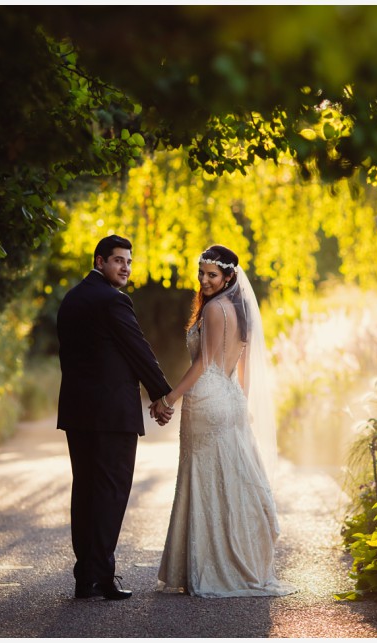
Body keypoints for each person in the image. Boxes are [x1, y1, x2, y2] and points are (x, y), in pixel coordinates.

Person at [150, 245, 296, 598]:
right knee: (229, 479)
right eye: (201, 273)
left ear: (229, 277)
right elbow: (240, 368)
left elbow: (204, 365)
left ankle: (212, 565)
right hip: (229, 399)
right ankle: (232, 558)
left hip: (207, 399)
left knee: (203, 479)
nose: (204, 280)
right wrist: (239, 402)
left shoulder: (215, 309)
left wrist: (169, 397)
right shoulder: (239, 310)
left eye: (211, 274)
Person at [57, 234, 175, 601]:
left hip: (78, 412)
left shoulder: (72, 299)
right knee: (109, 492)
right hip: (111, 415)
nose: (125, 267)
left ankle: (86, 578)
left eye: (128, 261)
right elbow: (138, 350)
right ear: (99, 262)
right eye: (118, 260)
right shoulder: (114, 301)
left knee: (87, 490)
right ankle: (102, 577)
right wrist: (162, 394)